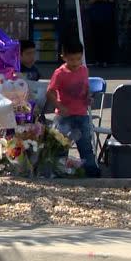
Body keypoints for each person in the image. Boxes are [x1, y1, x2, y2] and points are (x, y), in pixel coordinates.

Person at [46, 39, 100, 177]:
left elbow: (86, 88)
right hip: (64, 116)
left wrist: (89, 98)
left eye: (78, 59)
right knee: (61, 146)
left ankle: (91, 171)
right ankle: (59, 171)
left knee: (86, 145)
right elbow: (50, 92)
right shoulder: (59, 73)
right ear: (63, 57)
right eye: (71, 59)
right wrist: (58, 105)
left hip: (81, 114)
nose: (75, 63)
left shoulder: (84, 70)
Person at [85, 0, 116, 67]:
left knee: (106, 40)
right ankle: (97, 60)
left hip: (107, 18)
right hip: (95, 18)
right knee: (96, 39)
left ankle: (106, 60)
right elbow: (88, 1)